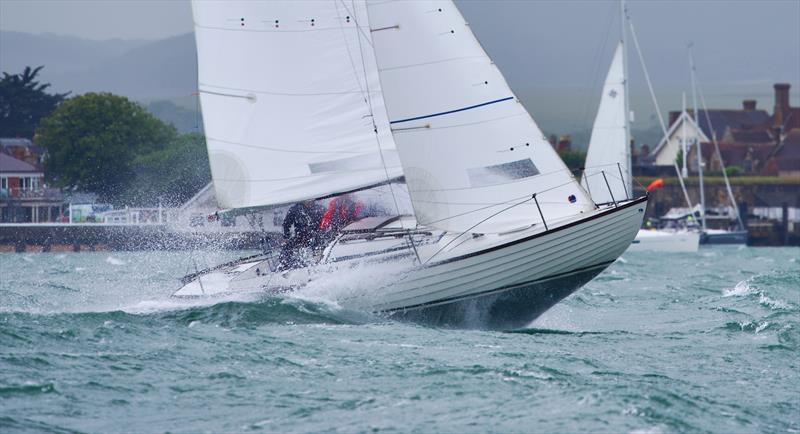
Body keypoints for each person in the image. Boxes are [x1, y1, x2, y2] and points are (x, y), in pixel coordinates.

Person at [277, 200, 323, 270]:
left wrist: (322, 234)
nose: (310, 202)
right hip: (300, 236)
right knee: (287, 247)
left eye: (312, 201)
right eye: (308, 201)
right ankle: (285, 266)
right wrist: (286, 237)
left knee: (318, 246)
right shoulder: (295, 209)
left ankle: (318, 263)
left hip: (316, 237)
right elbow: (286, 224)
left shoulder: (319, 209)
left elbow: (325, 223)